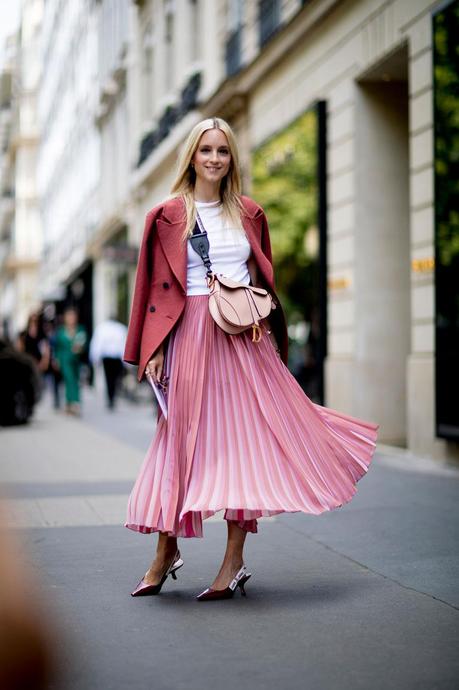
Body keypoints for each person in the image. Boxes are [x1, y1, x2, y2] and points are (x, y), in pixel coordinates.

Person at [123, 117, 379, 601]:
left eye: (223, 150)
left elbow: (263, 280)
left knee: (244, 443)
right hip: (191, 336)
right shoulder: (165, 216)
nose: (215, 159)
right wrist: (153, 348)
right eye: (206, 150)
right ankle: (165, 551)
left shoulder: (250, 213)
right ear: (192, 157)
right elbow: (151, 289)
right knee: (181, 442)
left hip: (244, 338)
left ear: (232, 158)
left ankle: (233, 560)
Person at [54, 307, 87, 416]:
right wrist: (56, 359)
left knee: (76, 380)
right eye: (69, 316)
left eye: (73, 316)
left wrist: (80, 348)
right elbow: (57, 347)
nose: (71, 319)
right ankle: (74, 402)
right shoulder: (61, 331)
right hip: (64, 360)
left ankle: (69, 403)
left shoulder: (80, 329)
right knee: (69, 379)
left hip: (76, 360)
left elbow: (84, 343)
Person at [89, 316, 127, 409]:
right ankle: (112, 397)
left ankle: (111, 397)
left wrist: (95, 357)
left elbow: (97, 343)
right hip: (115, 357)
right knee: (114, 378)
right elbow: (124, 344)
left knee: (109, 378)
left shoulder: (102, 328)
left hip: (108, 358)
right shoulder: (120, 328)